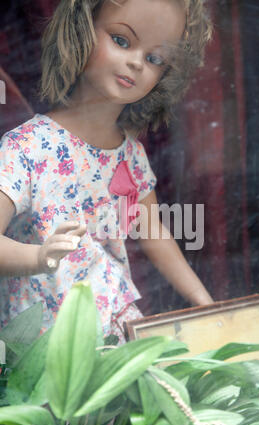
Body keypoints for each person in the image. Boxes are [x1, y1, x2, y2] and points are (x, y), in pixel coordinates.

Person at [0, 0, 213, 343]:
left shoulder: (130, 155)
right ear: (81, 29)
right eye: (122, 40)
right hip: (45, 346)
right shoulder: (27, 148)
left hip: (116, 336)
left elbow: (153, 233)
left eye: (155, 59)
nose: (135, 63)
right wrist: (38, 257)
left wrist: (205, 304)